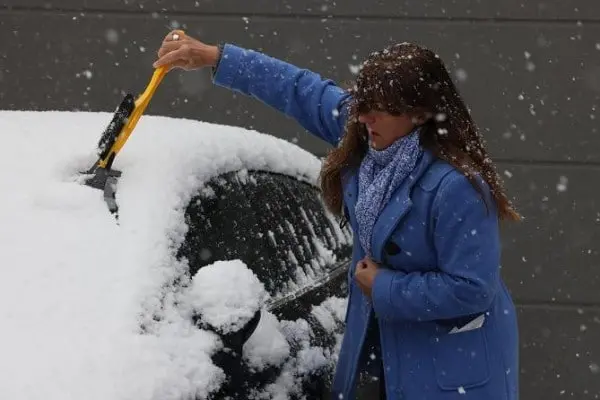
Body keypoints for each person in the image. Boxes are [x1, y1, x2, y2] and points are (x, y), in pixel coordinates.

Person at [154, 30, 521, 400]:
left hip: (445, 373)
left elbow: (472, 289)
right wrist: (216, 56)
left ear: (420, 113)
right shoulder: (367, 136)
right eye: (362, 103)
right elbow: (300, 89)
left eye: (380, 109)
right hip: (380, 359)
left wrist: (385, 287)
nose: (363, 117)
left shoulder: (456, 186)